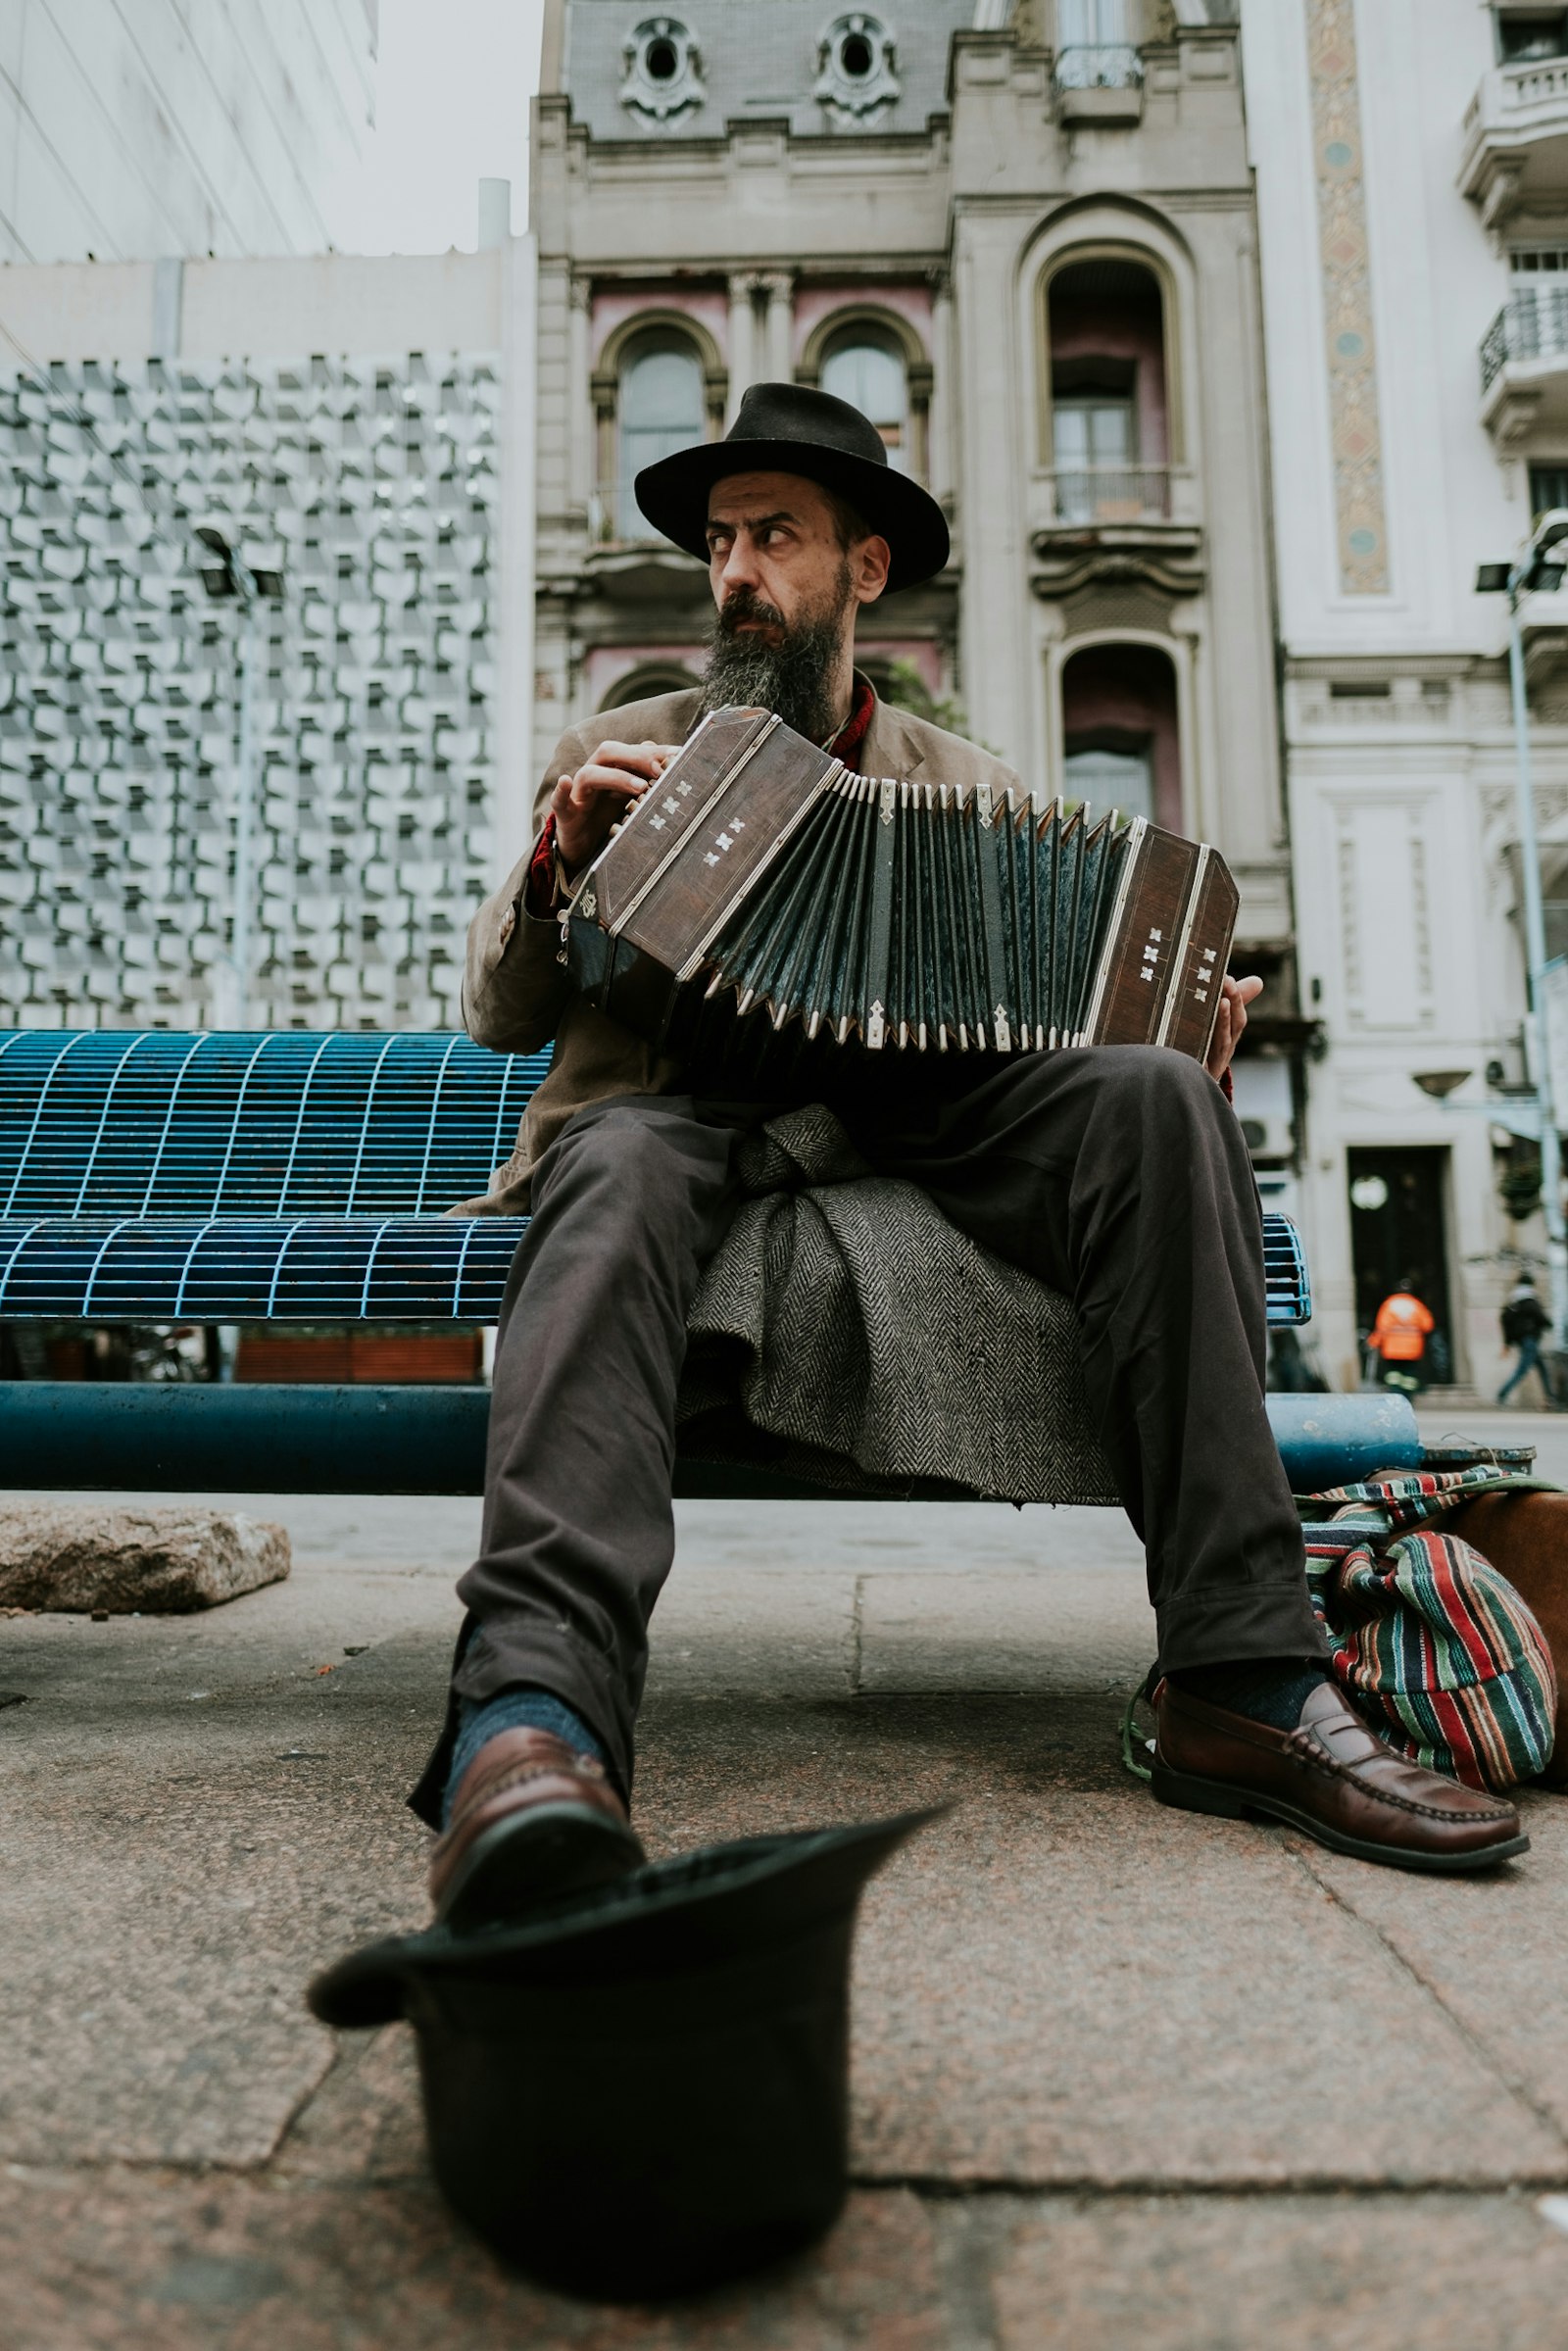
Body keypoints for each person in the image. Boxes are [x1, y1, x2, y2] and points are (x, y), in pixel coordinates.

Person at [411, 383, 1524, 1915]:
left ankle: (1245, 1672)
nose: (734, 569)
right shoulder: (622, 750)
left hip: (914, 1117)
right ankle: (530, 1720)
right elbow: (497, 1006)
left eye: (776, 536)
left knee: (1156, 1100)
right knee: (606, 1169)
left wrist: (1168, 1041)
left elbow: (1046, 1030)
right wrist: (556, 871)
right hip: (683, 1111)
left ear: (864, 571)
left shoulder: (971, 788)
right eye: (722, 538)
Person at [1366, 1277, 1436, 1396]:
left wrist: (1373, 1342)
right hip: (1412, 1348)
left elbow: (1382, 1327)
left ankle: (1396, 1394)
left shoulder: (1389, 1305)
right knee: (1409, 1375)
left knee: (1393, 1374)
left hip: (1392, 1348)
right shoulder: (1417, 1305)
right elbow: (1427, 1325)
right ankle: (1408, 1397)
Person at [1498, 1270, 1553, 1406]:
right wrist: (1549, 1324)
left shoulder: (1513, 1301)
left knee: (1542, 1368)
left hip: (1522, 1340)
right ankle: (1502, 1393)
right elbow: (1542, 1318)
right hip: (1530, 1340)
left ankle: (1550, 1396)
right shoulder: (1530, 1301)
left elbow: (1505, 1321)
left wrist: (1508, 1342)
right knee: (1522, 1369)